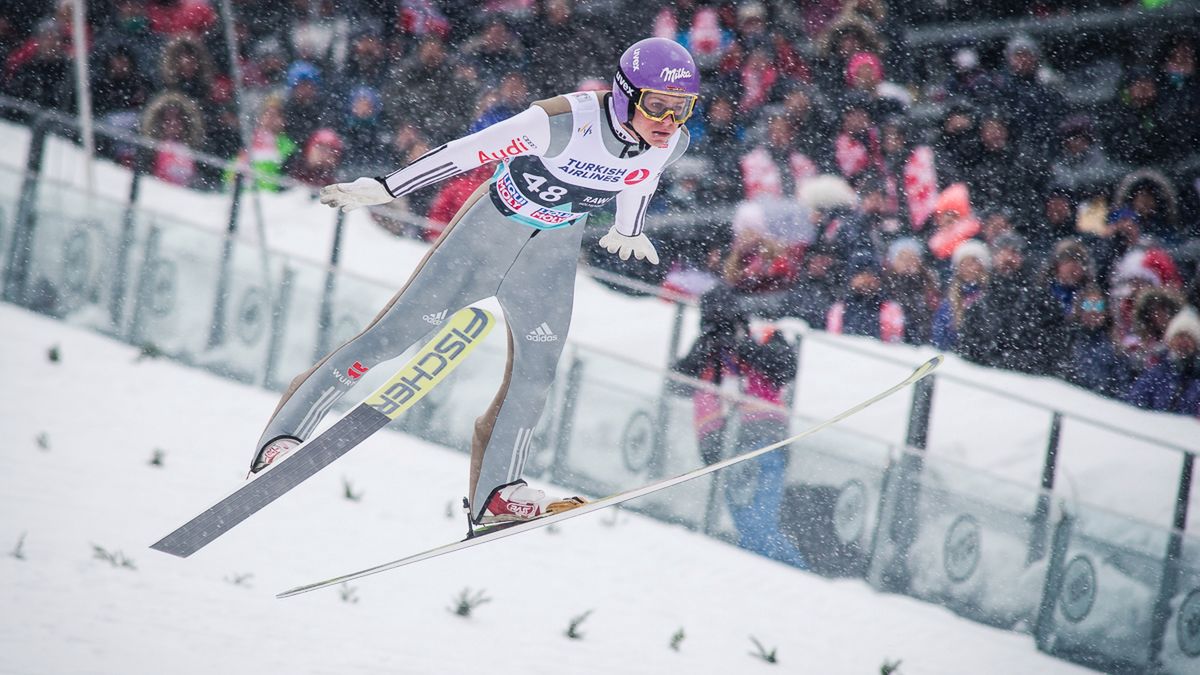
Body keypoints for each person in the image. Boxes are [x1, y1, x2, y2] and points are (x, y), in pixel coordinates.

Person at [251, 38, 699, 526]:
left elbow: (641, 175)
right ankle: (286, 434)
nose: (669, 121)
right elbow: (464, 154)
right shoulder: (560, 123)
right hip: (487, 233)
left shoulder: (670, 143)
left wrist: (627, 228)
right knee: (393, 337)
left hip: (550, 255)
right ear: (623, 93)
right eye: (658, 105)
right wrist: (386, 187)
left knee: (536, 374)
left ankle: (497, 493)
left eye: (682, 109)